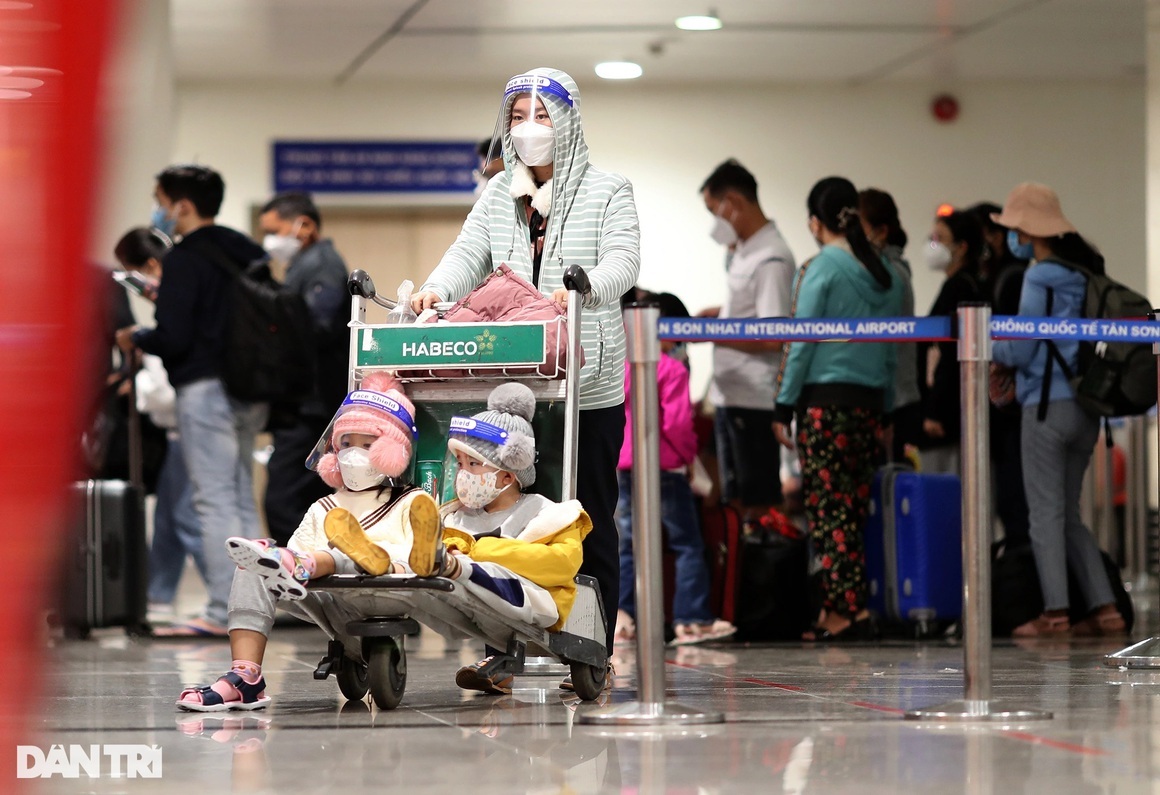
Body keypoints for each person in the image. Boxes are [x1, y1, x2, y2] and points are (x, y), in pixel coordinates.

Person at [408, 68, 640, 654]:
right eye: (517, 118)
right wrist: (436, 290)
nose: (529, 129)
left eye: (542, 115)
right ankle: (502, 645)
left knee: (586, 515)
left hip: (586, 386)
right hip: (512, 383)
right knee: (503, 514)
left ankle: (594, 644)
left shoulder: (608, 190)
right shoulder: (498, 194)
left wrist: (583, 288)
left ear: (568, 122)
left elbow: (625, 261)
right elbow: (467, 253)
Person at [175, 373, 426, 710]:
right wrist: (286, 561)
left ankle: (312, 563)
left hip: (383, 591)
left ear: (391, 450)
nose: (354, 454)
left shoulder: (411, 503)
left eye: (367, 445)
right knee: (254, 567)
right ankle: (245, 677)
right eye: (347, 444)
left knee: (350, 555)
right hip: (330, 596)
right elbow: (301, 545)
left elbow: (416, 558)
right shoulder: (324, 507)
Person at [115, 164, 269, 637]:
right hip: (251, 388)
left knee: (213, 502)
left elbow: (176, 336)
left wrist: (138, 334)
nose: (158, 209)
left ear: (181, 205)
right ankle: (258, 605)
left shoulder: (184, 258)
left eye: (160, 199)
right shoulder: (245, 249)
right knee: (242, 498)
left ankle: (226, 613)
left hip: (205, 390)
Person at [991, 182, 1127, 637]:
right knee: (1068, 513)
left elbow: (1024, 347)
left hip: (1046, 407)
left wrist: (992, 343)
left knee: (1044, 515)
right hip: (1087, 409)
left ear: (1028, 231)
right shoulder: (1084, 274)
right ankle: (1105, 609)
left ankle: (1055, 614)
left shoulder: (1038, 276)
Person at [773, 176, 903, 641]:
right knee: (854, 507)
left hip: (823, 406)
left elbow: (800, 341)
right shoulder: (885, 272)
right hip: (868, 405)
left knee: (829, 511)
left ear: (815, 221)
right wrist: (886, 405)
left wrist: (783, 402)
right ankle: (851, 605)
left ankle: (843, 610)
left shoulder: (819, 268)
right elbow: (892, 350)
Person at [615, 291, 735, 646]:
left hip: (625, 465)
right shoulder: (670, 369)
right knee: (686, 544)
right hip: (664, 467)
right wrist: (686, 458)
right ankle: (692, 618)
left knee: (628, 543)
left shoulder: (622, 366)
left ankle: (622, 618)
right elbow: (678, 425)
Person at [698, 159, 796, 531]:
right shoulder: (745, 250)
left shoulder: (770, 257)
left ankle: (761, 583)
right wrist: (720, 314)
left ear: (734, 202)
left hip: (753, 401)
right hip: (731, 396)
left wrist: (714, 332)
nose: (714, 222)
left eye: (713, 210)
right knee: (735, 503)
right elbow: (752, 313)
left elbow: (772, 336)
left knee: (759, 508)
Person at [113, 227, 203, 623]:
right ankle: (158, 594)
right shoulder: (184, 289)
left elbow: (166, 387)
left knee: (185, 514)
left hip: (187, 424)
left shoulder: (178, 297)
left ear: (150, 266)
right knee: (169, 515)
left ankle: (231, 593)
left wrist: (142, 380)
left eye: (133, 273)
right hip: (179, 429)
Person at [256, 191, 350, 546]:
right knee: (303, 495)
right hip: (304, 402)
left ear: (304, 226)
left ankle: (295, 570)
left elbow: (317, 328)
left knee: (283, 498)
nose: (271, 241)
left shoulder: (322, 265)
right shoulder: (305, 265)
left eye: (275, 230)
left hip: (313, 404)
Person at [969, 200, 1031, 547]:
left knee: (1015, 499)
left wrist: (984, 349)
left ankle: (1022, 582)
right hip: (1011, 406)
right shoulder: (1007, 276)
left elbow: (1018, 346)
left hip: (1014, 409)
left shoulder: (1015, 278)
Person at [917, 209, 986, 475]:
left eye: (940, 237)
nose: (932, 243)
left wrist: (934, 409)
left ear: (961, 247)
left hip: (949, 415)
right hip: (952, 410)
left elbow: (949, 353)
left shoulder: (960, 288)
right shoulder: (960, 284)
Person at [859, 189, 920, 464]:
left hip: (894, 402)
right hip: (890, 397)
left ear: (881, 231)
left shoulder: (889, 275)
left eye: (857, 228)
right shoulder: (890, 270)